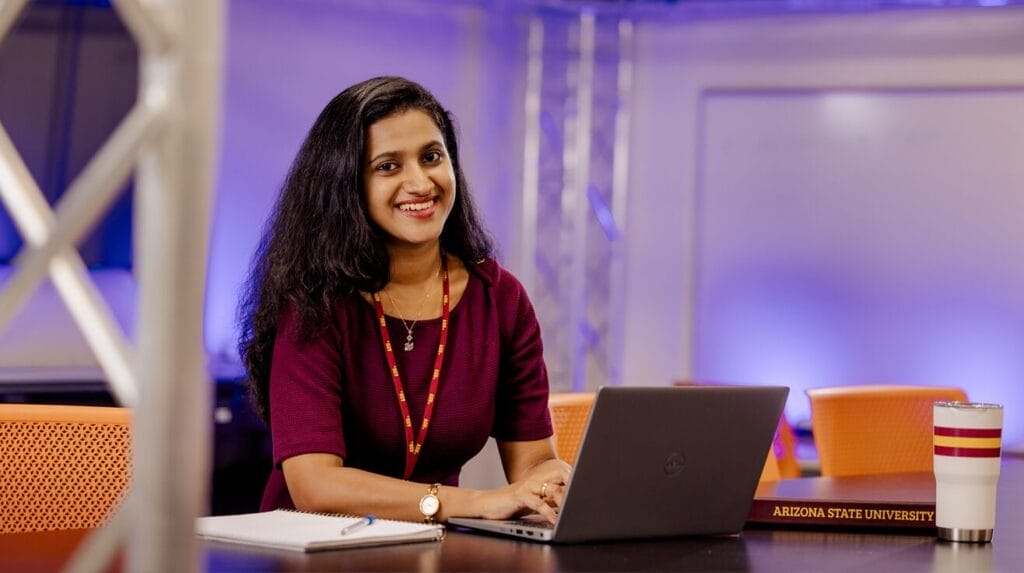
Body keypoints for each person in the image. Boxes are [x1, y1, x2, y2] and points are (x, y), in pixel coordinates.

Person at [237, 76, 569, 524]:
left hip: (434, 548)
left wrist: (548, 483)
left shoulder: (500, 299)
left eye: (431, 157)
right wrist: (476, 503)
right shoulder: (313, 304)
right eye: (388, 166)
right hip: (309, 547)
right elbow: (315, 485)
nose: (420, 182)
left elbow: (533, 462)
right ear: (346, 184)